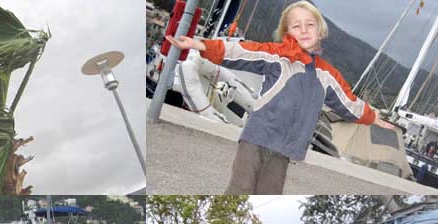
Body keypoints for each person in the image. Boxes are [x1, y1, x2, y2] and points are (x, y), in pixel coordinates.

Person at [165, 1, 395, 194]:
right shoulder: (277, 57)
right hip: (257, 137)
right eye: (296, 26)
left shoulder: (327, 75)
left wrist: (372, 117)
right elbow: (242, 52)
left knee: (270, 192)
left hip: (286, 148)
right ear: (287, 33)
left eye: (310, 25)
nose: (304, 30)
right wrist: (200, 44)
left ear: (320, 31)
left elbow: (348, 103)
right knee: (241, 188)